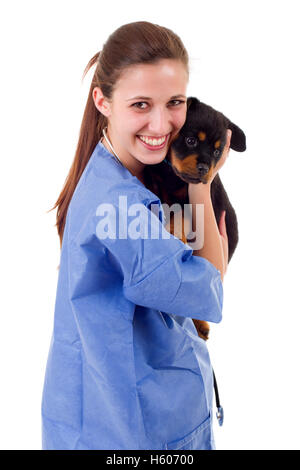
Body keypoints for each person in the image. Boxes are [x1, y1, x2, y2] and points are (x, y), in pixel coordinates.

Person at [41, 21, 231, 450]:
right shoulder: (122, 205)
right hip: (135, 433)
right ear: (102, 102)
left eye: (175, 102)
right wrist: (202, 180)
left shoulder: (114, 174)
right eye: (141, 104)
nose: (162, 124)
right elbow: (208, 290)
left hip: (98, 416)